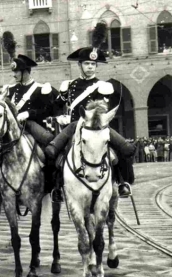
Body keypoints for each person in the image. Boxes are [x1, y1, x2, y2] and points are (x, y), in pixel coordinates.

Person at [45, 22, 135, 201]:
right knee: (51, 152)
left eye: (93, 64)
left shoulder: (103, 86)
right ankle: (55, 187)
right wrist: (58, 116)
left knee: (124, 148)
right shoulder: (69, 86)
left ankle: (123, 182)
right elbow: (56, 106)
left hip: (96, 127)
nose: (90, 67)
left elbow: (104, 110)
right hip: (72, 126)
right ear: (80, 65)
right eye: (86, 63)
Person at [1, 31, 57, 196]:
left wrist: (29, 114)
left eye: (17, 72)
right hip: (13, 128)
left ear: (25, 71)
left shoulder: (41, 89)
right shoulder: (10, 89)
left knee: (50, 148)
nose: (14, 74)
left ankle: (51, 184)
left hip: (33, 125)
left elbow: (48, 111)